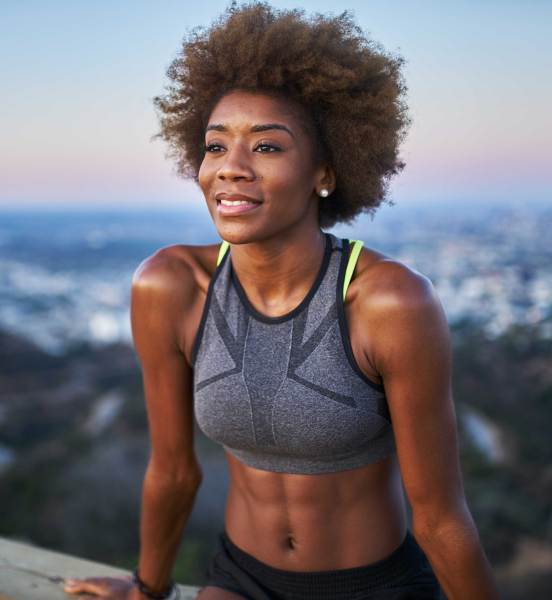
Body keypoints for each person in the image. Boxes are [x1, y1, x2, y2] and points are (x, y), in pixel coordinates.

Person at [63, 2, 499, 598]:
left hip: (373, 587)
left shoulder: (390, 302)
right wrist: (147, 587)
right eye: (216, 147)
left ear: (325, 170)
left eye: (266, 147)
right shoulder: (169, 286)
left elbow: (441, 517)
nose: (231, 169)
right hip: (240, 580)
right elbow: (171, 469)